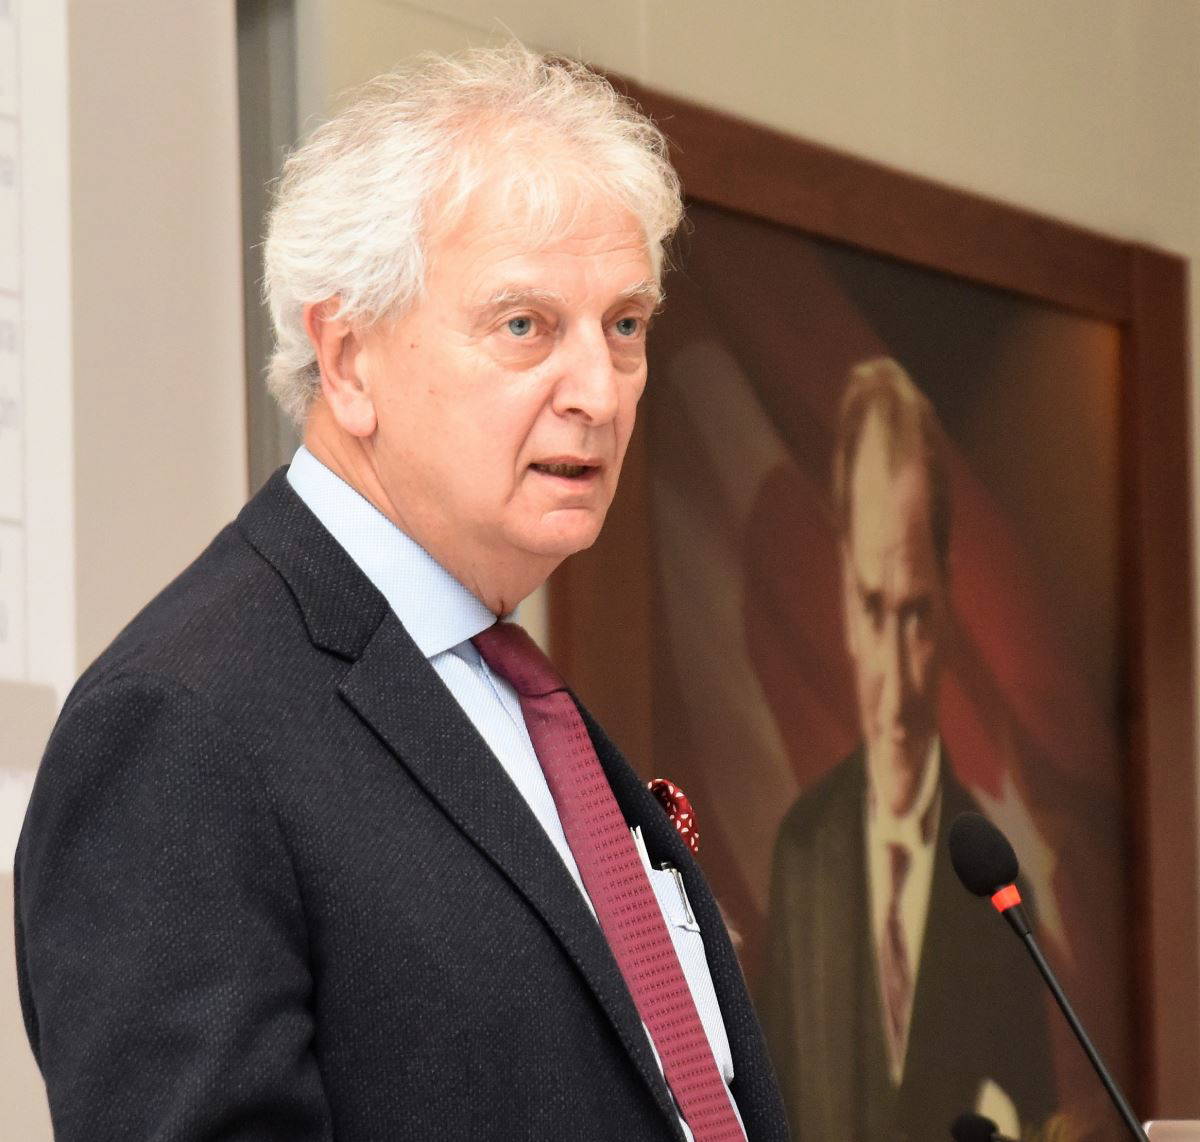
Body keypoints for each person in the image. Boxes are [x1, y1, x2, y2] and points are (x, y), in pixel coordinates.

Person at [15, 46, 787, 1142]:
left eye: (623, 326)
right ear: (348, 360)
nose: (599, 391)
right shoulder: (178, 728)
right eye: (524, 325)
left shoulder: (510, 690)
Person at [757, 358, 1055, 1140]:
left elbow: (1038, 1114)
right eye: (873, 607)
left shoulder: (1002, 895)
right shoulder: (801, 856)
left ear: (949, 601)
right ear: (843, 597)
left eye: (917, 614)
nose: (894, 673)